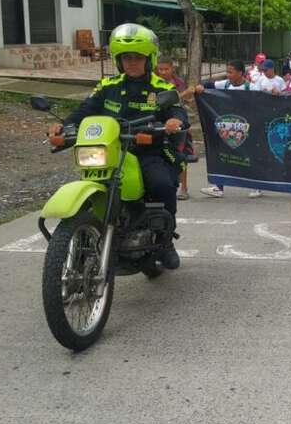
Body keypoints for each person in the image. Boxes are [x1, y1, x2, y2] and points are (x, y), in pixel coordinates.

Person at [48, 23, 187, 270]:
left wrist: (174, 122)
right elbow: (85, 110)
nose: (132, 63)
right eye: (126, 58)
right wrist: (64, 126)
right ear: (119, 60)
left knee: (162, 185)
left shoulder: (162, 87)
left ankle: (165, 241)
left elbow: (177, 112)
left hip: (145, 151)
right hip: (109, 152)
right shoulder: (107, 86)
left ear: (149, 59)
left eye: (137, 58)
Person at [195, 59, 262, 199]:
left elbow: (264, 100)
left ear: (240, 73)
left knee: (249, 156)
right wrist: (201, 87)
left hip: (246, 128)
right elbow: (208, 85)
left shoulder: (252, 88)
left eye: (231, 72)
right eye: (227, 72)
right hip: (228, 127)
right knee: (222, 155)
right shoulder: (225, 84)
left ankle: (256, 186)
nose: (228, 75)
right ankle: (218, 187)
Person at [156, 56, 195, 201]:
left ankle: (183, 188)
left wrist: (186, 123)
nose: (163, 72)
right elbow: (170, 98)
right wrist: (185, 93)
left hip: (178, 124)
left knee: (181, 155)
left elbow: (187, 102)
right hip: (159, 124)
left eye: (166, 69)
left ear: (172, 68)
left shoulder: (178, 82)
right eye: (160, 69)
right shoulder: (154, 83)